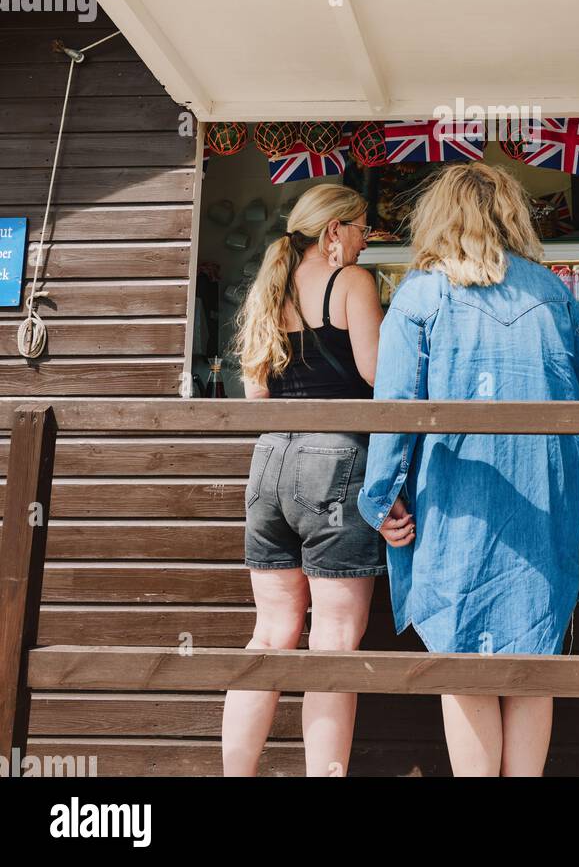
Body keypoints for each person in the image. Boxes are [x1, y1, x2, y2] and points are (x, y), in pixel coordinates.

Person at [356, 162, 579, 777]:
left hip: (457, 508)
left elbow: (394, 414)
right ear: (512, 216)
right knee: (532, 664)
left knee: (464, 662)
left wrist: (381, 499)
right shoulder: (552, 293)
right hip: (544, 507)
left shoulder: (419, 297)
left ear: (437, 219)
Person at [222, 184, 385, 777]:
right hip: (337, 461)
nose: (368, 240)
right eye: (364, 228)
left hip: (269, 462)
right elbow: (376, 376)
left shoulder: (271, 288)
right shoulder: (353, 283)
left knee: (269, 637)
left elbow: (257, 394)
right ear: (333, 232)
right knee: (335, 645)